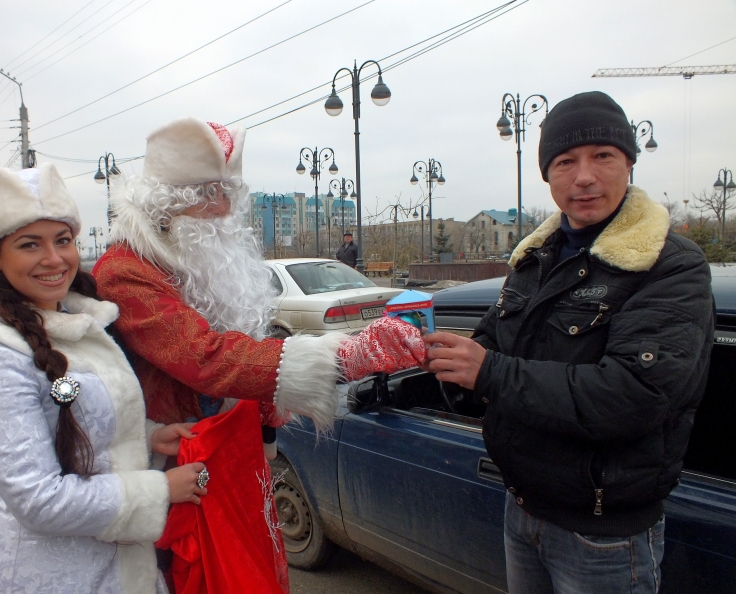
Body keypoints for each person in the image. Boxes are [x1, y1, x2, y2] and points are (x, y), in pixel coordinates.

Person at [92, 117, 425, 593]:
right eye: (212, 193)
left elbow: (244, 343)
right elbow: (205, 357)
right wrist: (342, 356)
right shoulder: (126, 272)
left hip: (225, 459)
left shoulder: (191, 260)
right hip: (169, 470)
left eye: (230, 192)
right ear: (168, 202)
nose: (227, 210)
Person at [424, 91, 715, 594]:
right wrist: (422, 354)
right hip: (523, 510)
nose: (584, 176)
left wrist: (488, 371)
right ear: (548, 175)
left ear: (628, 163)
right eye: (565, 161)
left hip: (604, 536)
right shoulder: (535, 257)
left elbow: (633, 395)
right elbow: (490, 345)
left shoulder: (670, 265)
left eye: (602, 156)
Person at [0, 164, 208, 594]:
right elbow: (37, 498)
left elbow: (74, 424)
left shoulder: (77, 322)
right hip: (47, 576)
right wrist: (159, 489)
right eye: (30, 245)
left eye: (63, 240)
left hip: (124, 568)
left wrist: (149, 437)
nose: (54, 259)